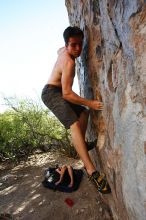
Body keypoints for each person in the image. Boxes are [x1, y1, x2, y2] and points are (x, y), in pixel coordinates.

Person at [41, 26, 111, 194]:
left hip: (57, 91)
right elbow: (67, 94)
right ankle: (91, 171)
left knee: (83, 113)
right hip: (51, 93)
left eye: (80, 44)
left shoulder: (63, 52)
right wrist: (90, 102)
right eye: (73, 45)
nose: (78, 48)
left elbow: (58, 50)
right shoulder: (69, 62)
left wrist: (87, 107)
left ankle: (82, 145)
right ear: (67, 45)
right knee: (74, 122)